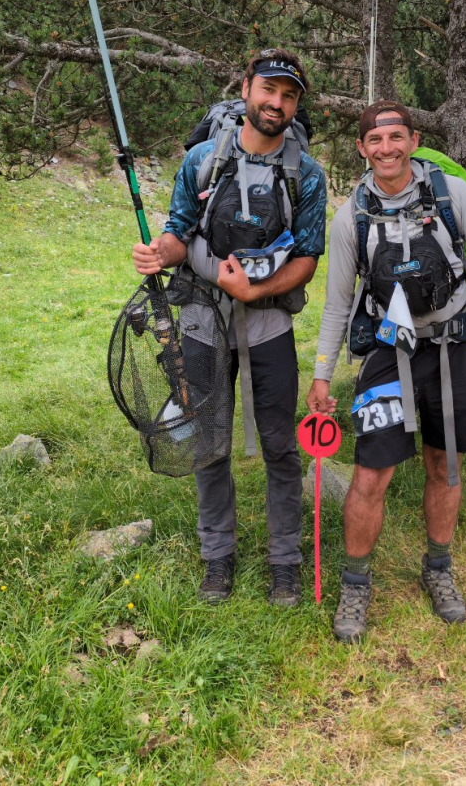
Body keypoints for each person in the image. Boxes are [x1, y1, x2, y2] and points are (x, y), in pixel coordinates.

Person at [306, 100, 466, 642]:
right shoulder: (351, 217)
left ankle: (439, 569)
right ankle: (355, 583)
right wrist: (321, 374)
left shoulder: (450, 194)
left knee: (444, 464)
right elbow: (337, 304)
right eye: (375, 140)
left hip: (453, 345)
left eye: (395, 137)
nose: (386, 149)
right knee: (370, 472)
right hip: (390, 349)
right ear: (362, 148)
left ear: (412, 139)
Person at [134, 49, 327, 607]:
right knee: (209, 441)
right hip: (202, 320)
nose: (277, 103)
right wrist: (159, 253)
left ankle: (285, 564)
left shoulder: (307, 175)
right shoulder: (202, 160)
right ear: (246, 89)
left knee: (280, 447)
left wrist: (254, 292)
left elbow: (307, 258)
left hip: (269, 324)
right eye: (268, 90)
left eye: (289, 96)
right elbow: (178, 232)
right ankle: (217, 557)